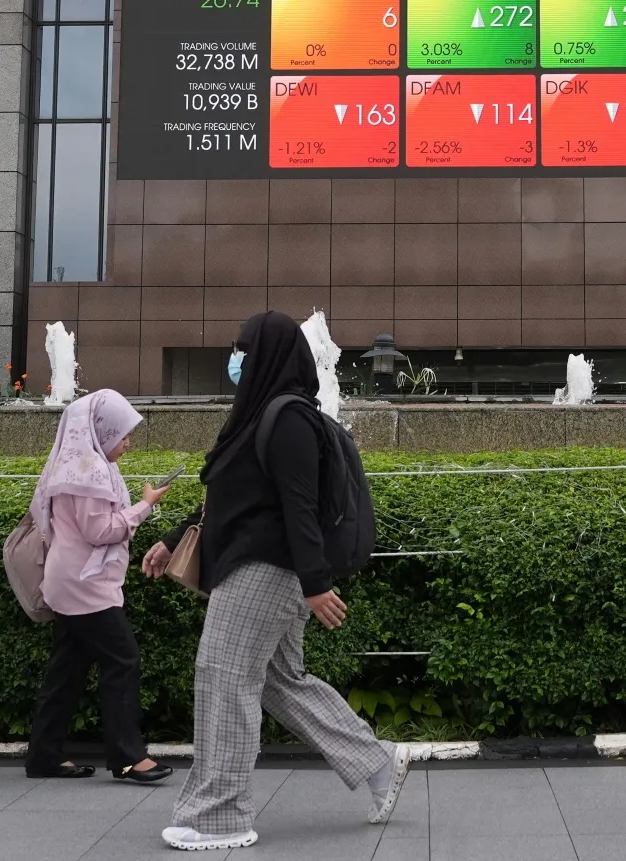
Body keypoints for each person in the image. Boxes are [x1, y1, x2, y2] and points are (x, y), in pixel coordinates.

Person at [142, 311, 410, 852]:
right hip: (259, 566)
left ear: (268, 355)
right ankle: (375, 762)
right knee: (279, 681)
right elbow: (227, 499)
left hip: (264, 570)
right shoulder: (256, 414)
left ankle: (221, 816)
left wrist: (315, 583)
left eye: (244, 348)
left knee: (223, 677)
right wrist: (174, 537)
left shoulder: (288, 418)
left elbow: (300, 506)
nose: (236, 357)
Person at [25, 387, 175, 785]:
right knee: (121, 659)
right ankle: (128, 757)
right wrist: (145, 506)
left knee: (67, 670)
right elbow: (101, 530)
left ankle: (43, 755)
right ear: (100, 430)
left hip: (71, 581)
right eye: (123, 435)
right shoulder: (89, 471)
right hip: (85, 586)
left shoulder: (79, 463)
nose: (127, 444)